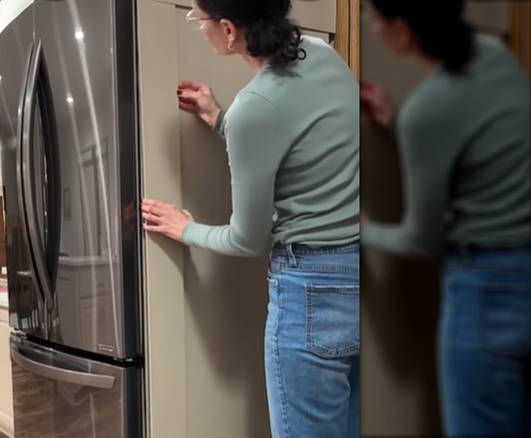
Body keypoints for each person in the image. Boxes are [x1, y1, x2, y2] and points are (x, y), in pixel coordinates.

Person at [140, 0, 360, 436]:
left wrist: (188, 228)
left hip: (310, 290)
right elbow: (307, 143)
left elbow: (248, 239)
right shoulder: (323, 54)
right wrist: (220, 119)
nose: (196, 28)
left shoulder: (254, 107)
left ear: (226, 30)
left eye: (198, 19)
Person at [360, 1, 531, 436]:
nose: (373, 29)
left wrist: (362, 227)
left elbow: (422, 239)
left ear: (402, 29)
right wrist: (398, 123)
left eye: (375, 21)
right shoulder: (496, 57)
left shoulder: (429, 110)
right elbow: (481, 144)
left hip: (486, 292)